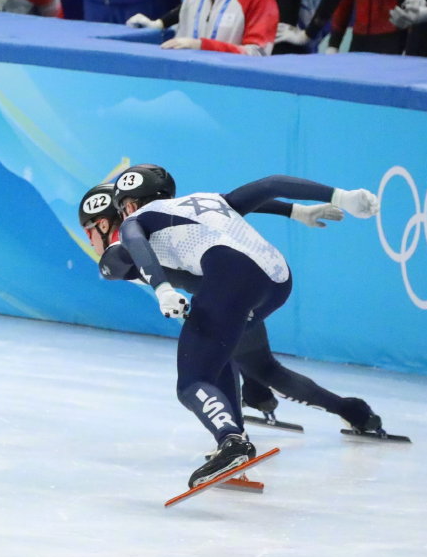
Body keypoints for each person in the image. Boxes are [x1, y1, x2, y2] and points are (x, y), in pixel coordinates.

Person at [108, 165, 379, 487]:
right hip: (278, 280)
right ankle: (347, 410)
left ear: (127, 204)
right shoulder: (207, 201)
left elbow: (136, 244)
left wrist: (162, 289)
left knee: (193, 380)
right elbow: (271, 184)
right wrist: (336, 198)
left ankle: (232, 441)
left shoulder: (135, 220)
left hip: (231, 279)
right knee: (233, 355)